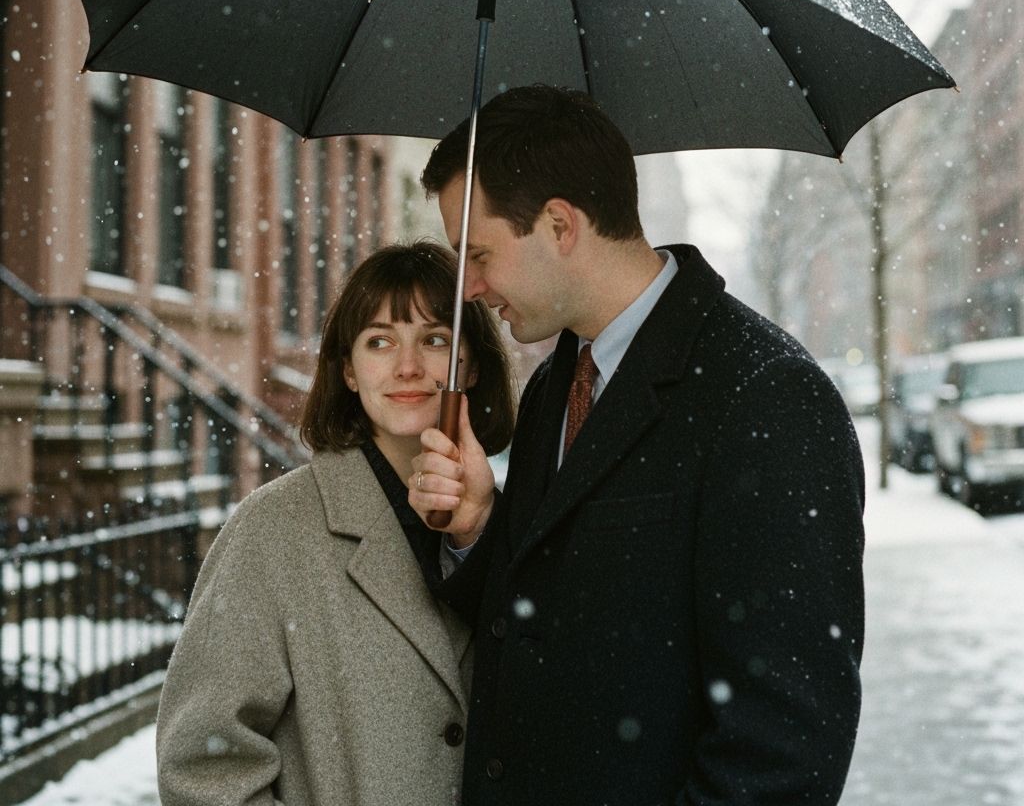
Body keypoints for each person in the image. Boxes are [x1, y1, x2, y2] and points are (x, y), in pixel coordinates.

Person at [409, 85, 866, 806]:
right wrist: (477, 525)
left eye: (480, 253)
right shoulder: (554, 386)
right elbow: (547, 615)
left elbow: (785, 745)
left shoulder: (766, 396)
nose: (467, 287)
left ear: (560, 224)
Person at [156, 240, 516, 806]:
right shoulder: (272, 531)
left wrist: (481, 534)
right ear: (348, 370)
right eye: (379, 342)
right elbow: (202, 767)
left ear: (470, 365)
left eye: (436, 340)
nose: (408, 366)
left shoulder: (517, 526)